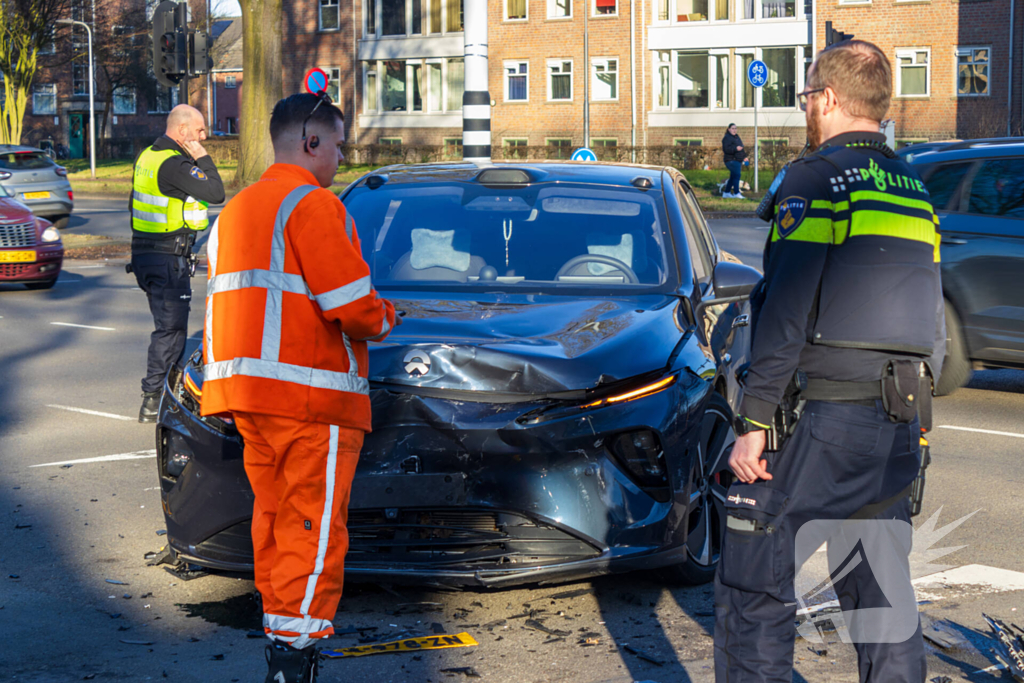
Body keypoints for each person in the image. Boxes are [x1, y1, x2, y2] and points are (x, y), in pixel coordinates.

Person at [714, 40, 944, 683]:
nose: (807, 107)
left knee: (753, 585)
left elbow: (787, 305)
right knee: (880, 600)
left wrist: (754, 421)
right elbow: (931, 317)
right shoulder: (913, 189)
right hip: (894, 423)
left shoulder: (812, 180)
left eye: (809, 96)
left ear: (832, 99)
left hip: (820, 419)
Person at [199, 92, 397, 683]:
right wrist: (389, 316)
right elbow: (352, 308)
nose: (340, 157)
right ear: (311, 141)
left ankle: (281, 634)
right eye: (338, 145)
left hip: (248, 396)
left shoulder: (235, 211)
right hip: (312, 398)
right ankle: (294, 658)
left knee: (278, 519)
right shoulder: (312, 206)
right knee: (314, 528)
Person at [131, 104, 224, 422]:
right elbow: (216, 191)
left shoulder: (148, 156)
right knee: (170, 331)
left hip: (146, 255)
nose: (203, 136)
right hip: (166, 257)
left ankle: (162, 394)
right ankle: (154, 400)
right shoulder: (174, 163)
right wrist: (201, 155)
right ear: (182, 130)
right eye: (198, 131)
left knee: (167, 328)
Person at [721, 123, 747, 199]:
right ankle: (736, 193)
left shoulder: (737, 137)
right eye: (732, 128)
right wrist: (735, 148)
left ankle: (726, 193)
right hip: (731, 160)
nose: (734, 130)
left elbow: (741, 148)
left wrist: (745, 157)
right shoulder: (726, 138)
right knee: (737, 175)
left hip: (737, 160)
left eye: (735, 128)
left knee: (733, 176)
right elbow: (726, 149)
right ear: (729, 129)